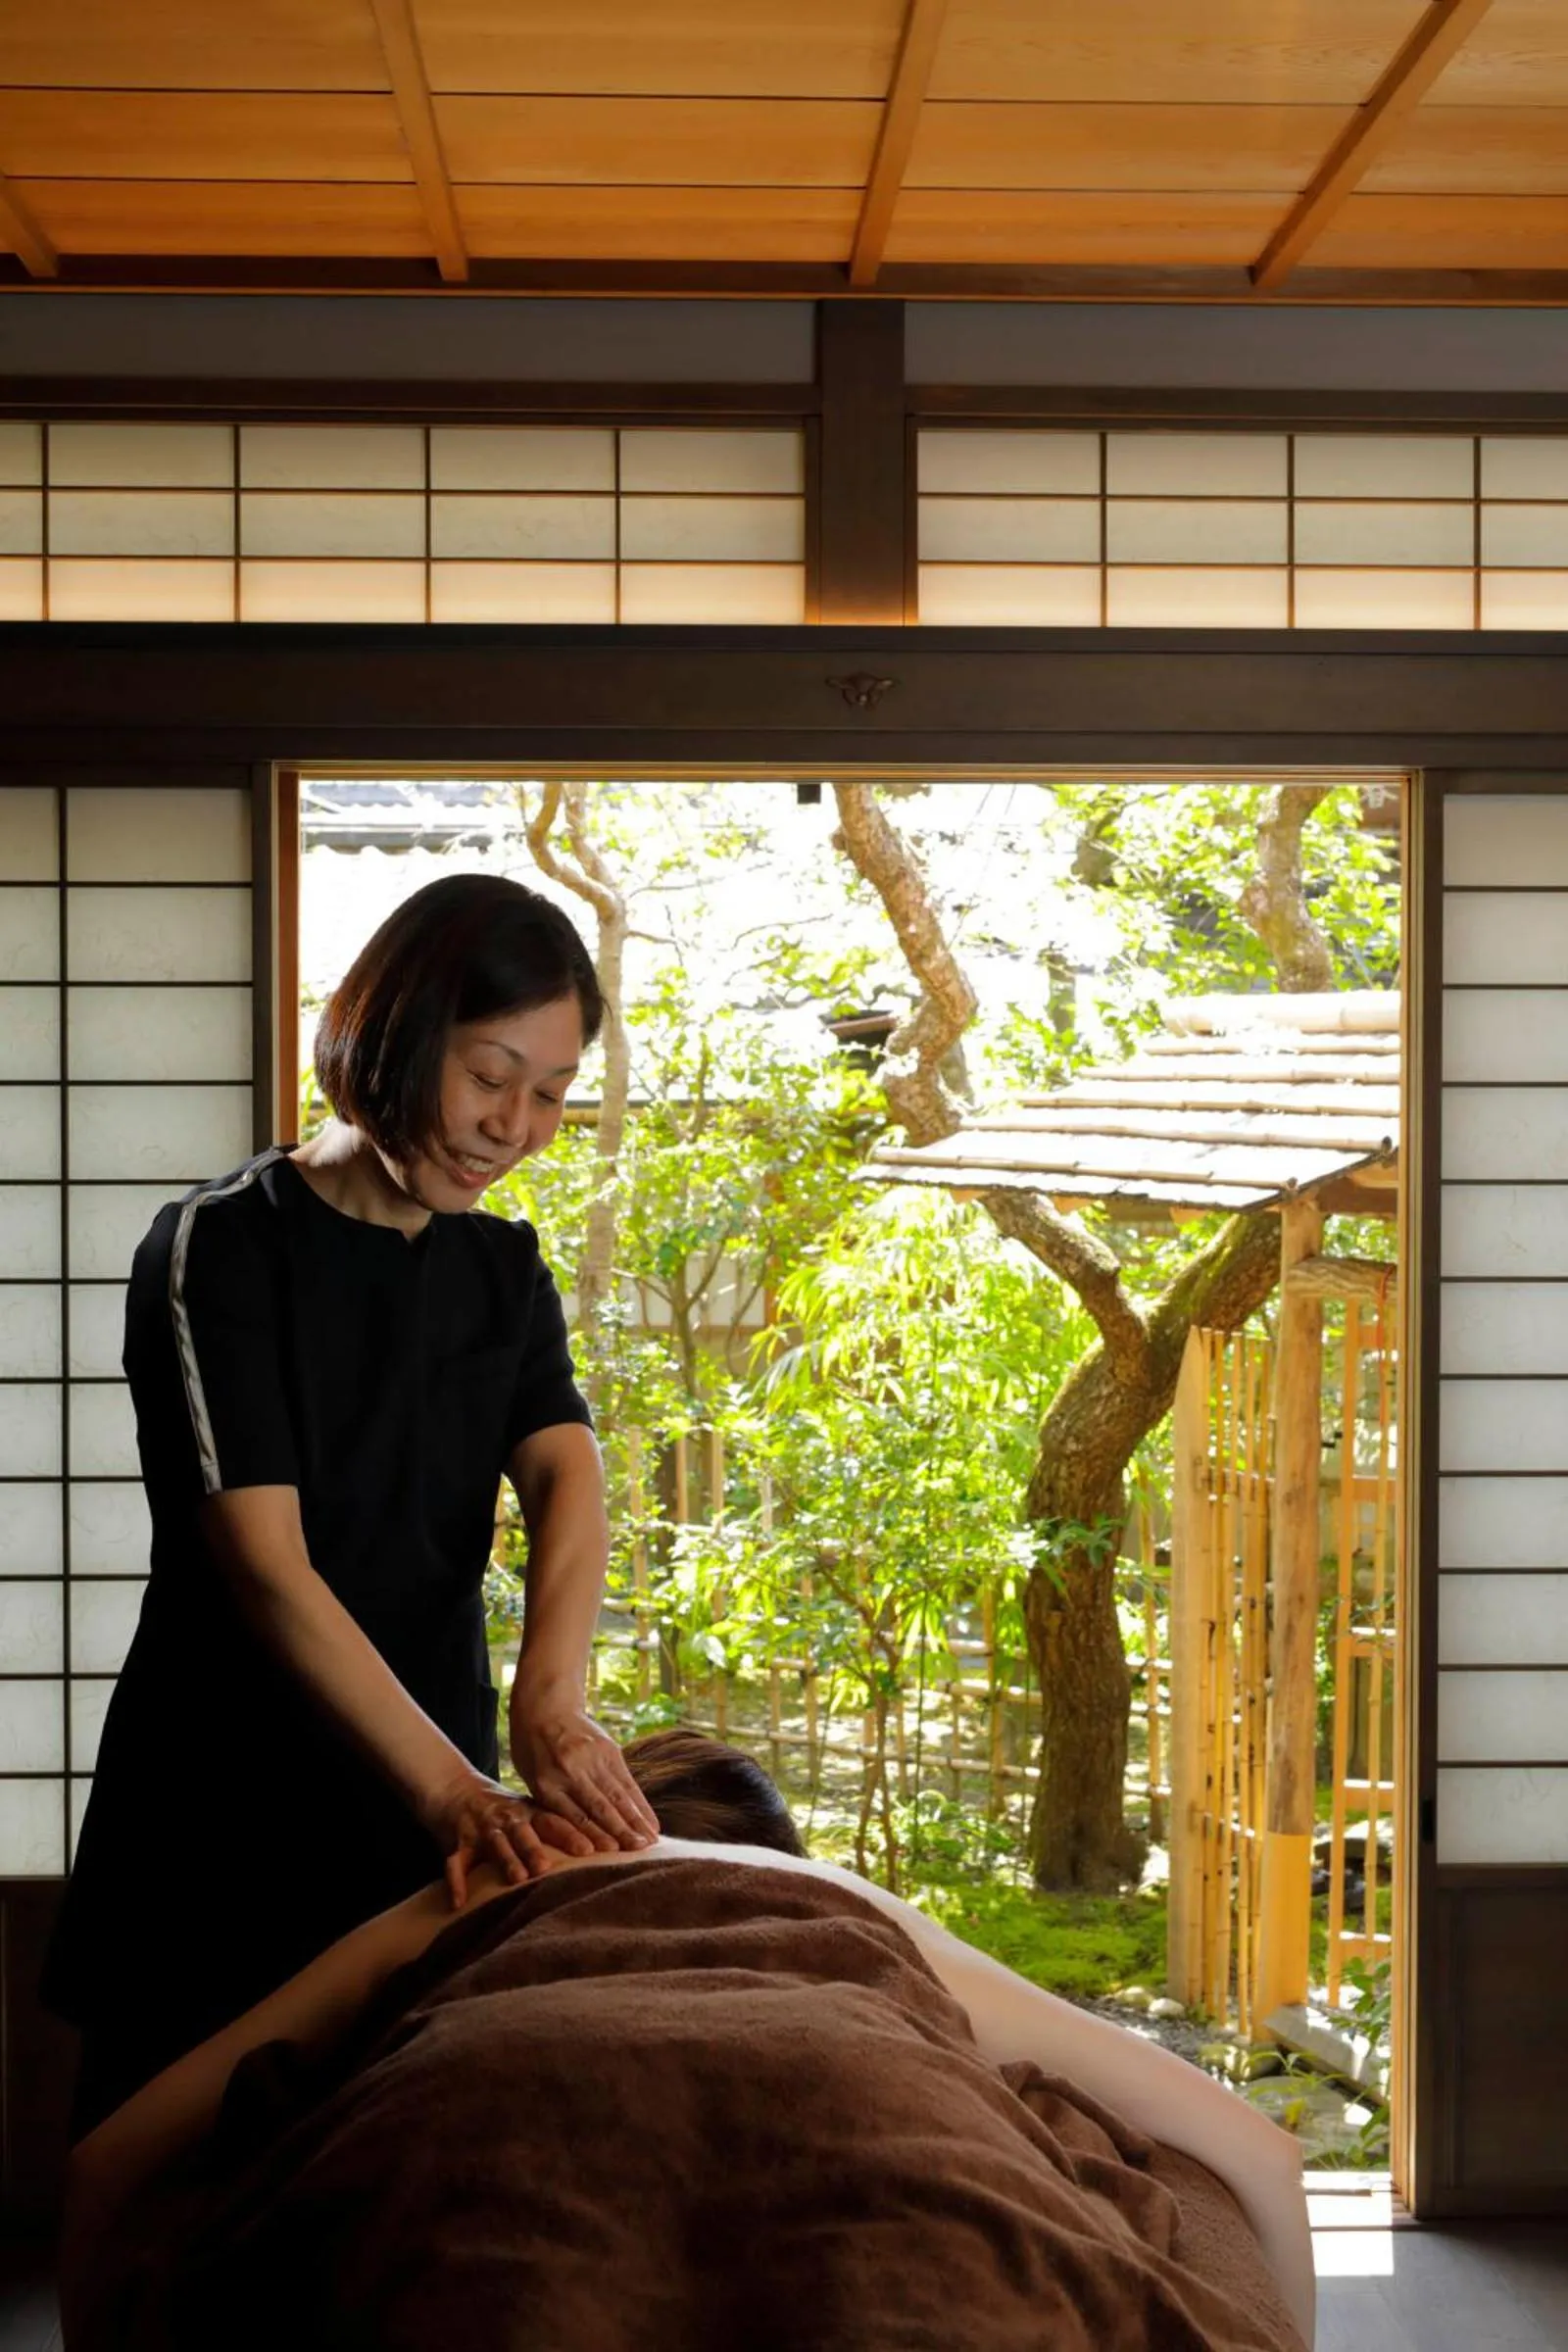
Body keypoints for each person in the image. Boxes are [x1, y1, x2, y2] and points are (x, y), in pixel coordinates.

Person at [43, 873, 660, 2137]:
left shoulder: (503, 1268)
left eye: (550, 1094)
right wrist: (459, 1796)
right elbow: (265, 1563)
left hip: (423, 1810)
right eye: (490, 1076)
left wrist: (551, 1702)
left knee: (385, 2189)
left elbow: (567, 1472)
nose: (515, 1126)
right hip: (218, 1807)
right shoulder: (218, 1245)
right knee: (161, 2187)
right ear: (394, 1032)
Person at [62, 1732, 1314, 2352]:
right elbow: (1260, 2154)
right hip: (884, 2126)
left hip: (462, 2151)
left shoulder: (479, 1888)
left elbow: (109, 2165)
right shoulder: (855, 1915)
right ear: (771, 1855)